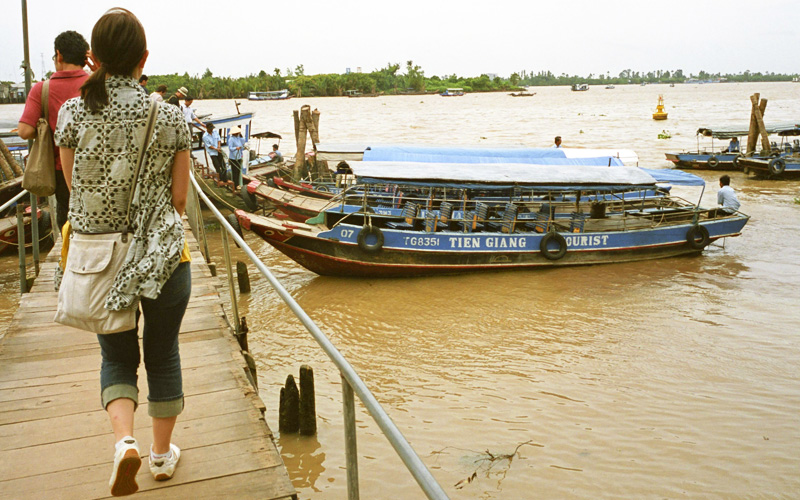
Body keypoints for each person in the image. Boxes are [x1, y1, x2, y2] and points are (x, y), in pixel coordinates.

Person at [53, 8, 192, 496]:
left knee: (115, 356)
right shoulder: (171, 116)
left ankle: (124, 442)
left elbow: (73, 188)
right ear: (144, 58)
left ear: (93, 57)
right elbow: (178, 200)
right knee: (164, 353)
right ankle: (160, 456)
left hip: (99, 261)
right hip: (164, 257)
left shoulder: (71, 112)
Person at [17, 30, 92, 233]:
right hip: (99, 167)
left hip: (61, 170)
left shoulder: (42, 89)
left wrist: (46, 129)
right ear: (86, 58)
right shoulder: (98, 85)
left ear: (59, 55)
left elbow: (24, 131)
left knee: (68, 225)